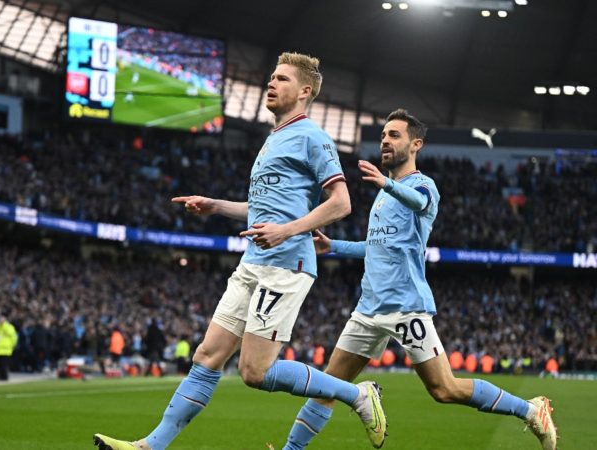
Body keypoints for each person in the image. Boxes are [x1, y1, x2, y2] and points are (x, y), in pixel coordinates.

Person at [94, 52, 386, 450]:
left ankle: (356, 395)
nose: (271, 83)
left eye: (281, 79)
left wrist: (287, 231)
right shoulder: (273, 139)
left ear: (304, 91)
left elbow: (341, 203)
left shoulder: (312, 136)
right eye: (271, 77)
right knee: (207, 355)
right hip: (253, 261)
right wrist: (216, 206)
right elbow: (263, 211)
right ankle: (150, 446)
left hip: (287, 264)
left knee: (254, 371)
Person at [275, 109, 557, 450]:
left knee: (444, 389)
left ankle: (531, 409)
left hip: (406, 305)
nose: (385, 141)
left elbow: (421, 203)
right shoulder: (384, 194)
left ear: (416, 144)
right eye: (383, 136)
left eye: (394, 135)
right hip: (368, 308)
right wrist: (334, 246)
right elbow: (376, 247)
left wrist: (387, 183)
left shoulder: (422, 185)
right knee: (328, 386)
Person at [0, 315, 18, 381]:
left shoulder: (9, 327)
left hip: (6, 349)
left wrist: (13, 345)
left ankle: (4, 377)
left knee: (4, 365)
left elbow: (14, 337)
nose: (0, 321)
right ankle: (0, 376)